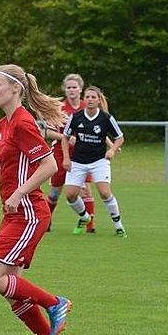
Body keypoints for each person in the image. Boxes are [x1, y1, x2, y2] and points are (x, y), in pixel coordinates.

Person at [0, 64, 73, 335]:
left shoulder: (23, 122)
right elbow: (8, 174)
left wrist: (20, 192)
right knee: (10, 288)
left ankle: (55, 303)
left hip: (29, 212)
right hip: (14, 212)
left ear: (16, 88)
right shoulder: (3, 125)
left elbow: (49, 165)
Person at [61, 86, 126, 237]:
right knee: (70, 195)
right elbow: (65, 138)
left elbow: (120, 138)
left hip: (99, 161)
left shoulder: (106, 118)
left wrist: (112, 150)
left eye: (93, 97)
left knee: (104, 193)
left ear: (98, 100)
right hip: (78, 161)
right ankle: (85, 217)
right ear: (84, 99)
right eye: (87, 97)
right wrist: (66, 158)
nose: (90, 100)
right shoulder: (76, 117)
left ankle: (118, 225)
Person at [44, 73, 96, 233]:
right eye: (68, 87)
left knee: (85, 189)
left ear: (80, 89)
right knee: (55, 192)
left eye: (74, 87)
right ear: (65, 90)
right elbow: (48, 132)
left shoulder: (87, 107)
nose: (71, 90)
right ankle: (46, 222)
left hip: (83, 153)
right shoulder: (58, 108)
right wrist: (65, 137)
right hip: (60, 152)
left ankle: (90, 226)